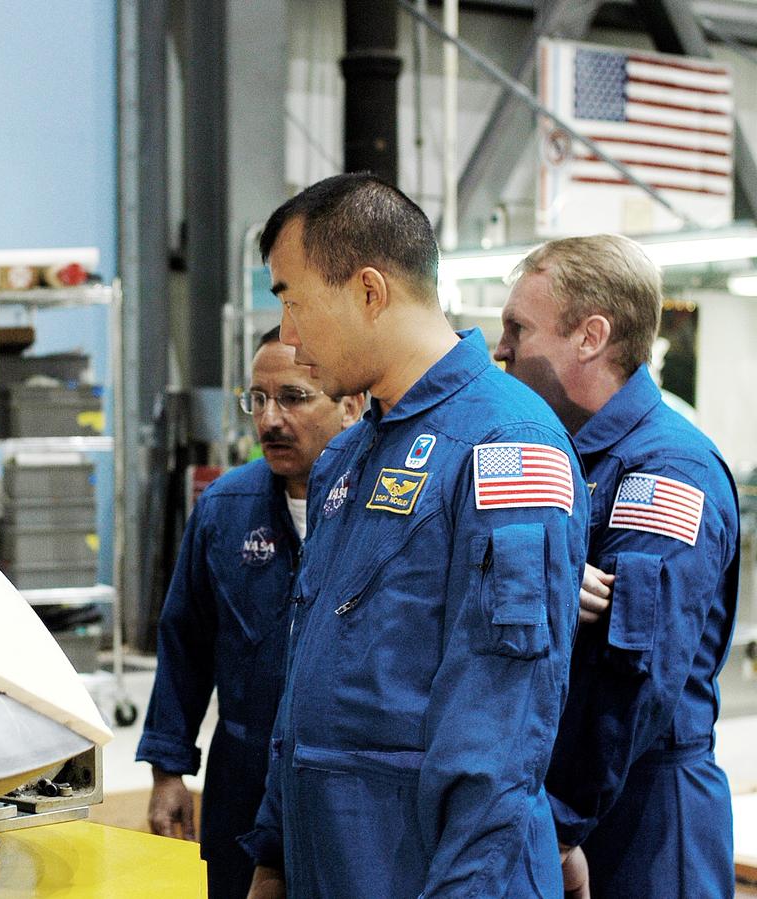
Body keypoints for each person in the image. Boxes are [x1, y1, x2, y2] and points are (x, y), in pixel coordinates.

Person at [239, 173, 589, 899]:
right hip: (331, 859)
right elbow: (309, 668)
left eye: (293, 301)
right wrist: (273, 854)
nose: (290, 337)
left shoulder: (509, 446)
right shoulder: (349, 454)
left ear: (369, 291)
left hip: (435, 873)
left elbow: (499, 728)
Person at [494, 234, 740, 898]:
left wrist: (566, 825)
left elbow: (636, 671)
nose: (502, 347)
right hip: (562, 796)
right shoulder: (562, 457)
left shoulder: (666, 469)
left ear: (590, 336)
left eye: (519, 327)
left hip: (644, 814)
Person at [136, 326, 363, 899]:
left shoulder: (382, 511)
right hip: (242, 772)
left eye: (292, 397)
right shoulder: (225, 509)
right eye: (257, 400)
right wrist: (169, 771)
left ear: (351, 406)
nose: (269, 420)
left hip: (343, 780)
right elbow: (184, 640)